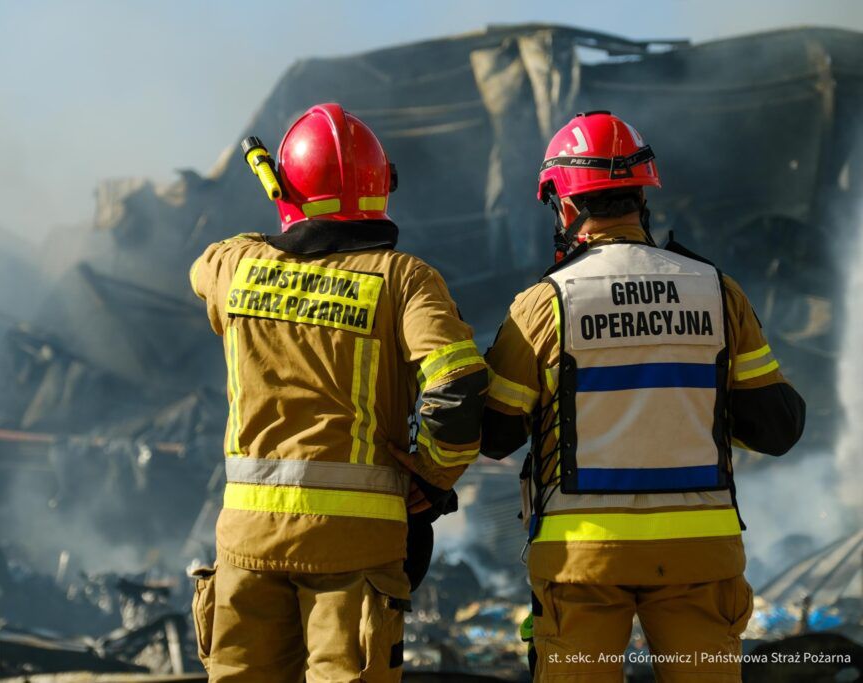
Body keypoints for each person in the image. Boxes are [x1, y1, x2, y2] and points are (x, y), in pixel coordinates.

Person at [481, 111, 806, 682]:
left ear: (563, 203)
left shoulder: (543, 304)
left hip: (583, 560)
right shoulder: (717, 290)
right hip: (699, 556)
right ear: (640, 194)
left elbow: (494, 434)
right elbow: (776, 429)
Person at [188, 103, 487, 682]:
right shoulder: (405, 278)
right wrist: (433, 476)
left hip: (248, 545)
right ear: (380, 189)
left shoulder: (235, 264)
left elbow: (202, 268)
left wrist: (285, 220)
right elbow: (456, 389)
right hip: (354, 551)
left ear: (286, 187)